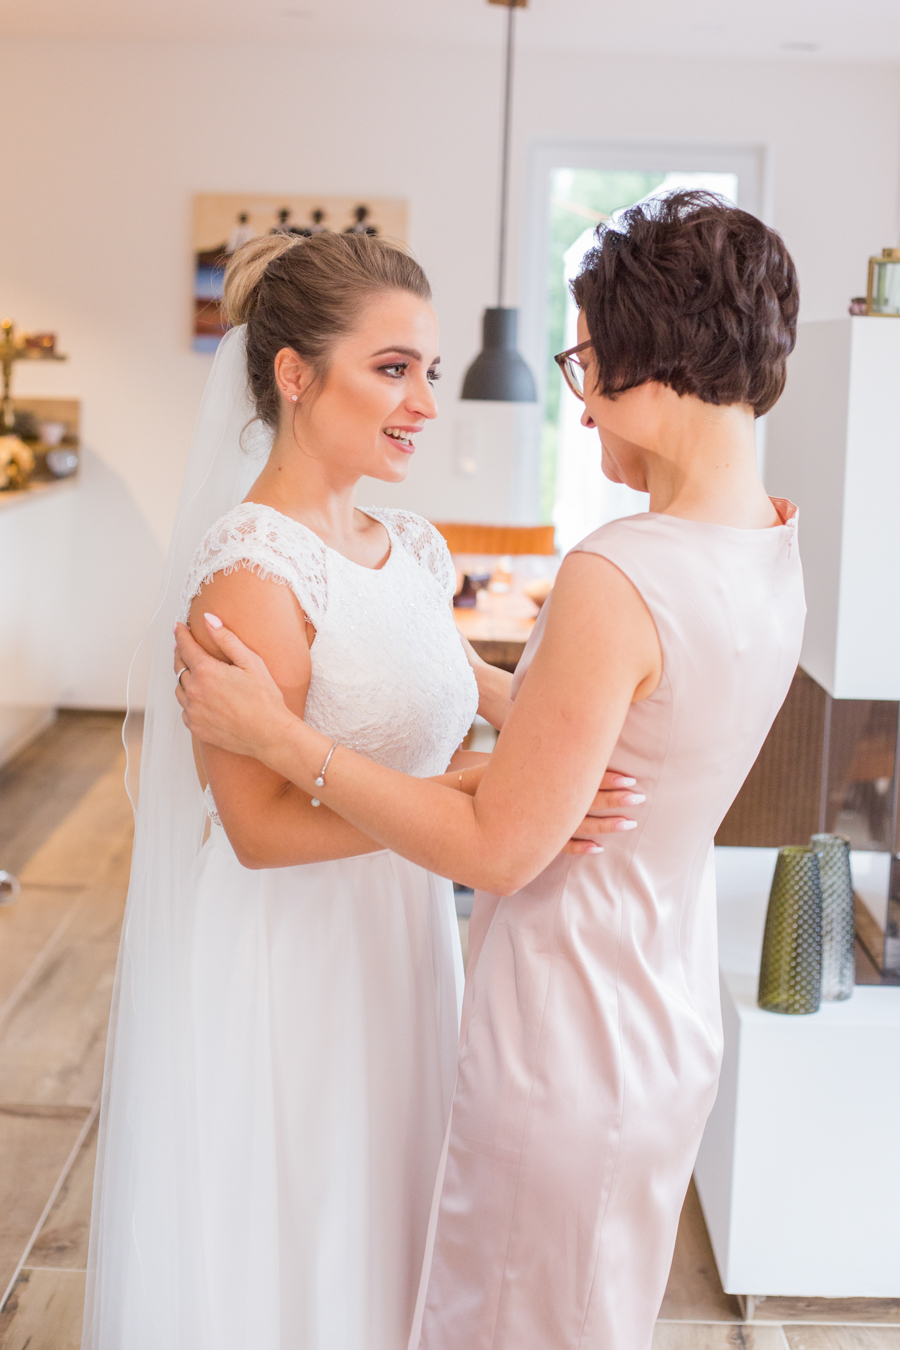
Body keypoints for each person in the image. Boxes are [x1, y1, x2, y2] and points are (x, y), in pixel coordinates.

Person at [175, 192, 805, 1350]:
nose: (579, 401)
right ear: (297, 377)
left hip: (568, 1022)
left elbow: (502, 844)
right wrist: (471, 693)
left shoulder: (620, 573)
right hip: (658, 1009)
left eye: (583, 363)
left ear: (641, 370)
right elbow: (598, 714)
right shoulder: (771, 545)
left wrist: (292, 741)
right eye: (395, 367)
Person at [84, 229, 633, 1350]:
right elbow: (256, 834)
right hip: (295, 963)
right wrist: (459, 802)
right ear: (294, 376)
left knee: (392, 1216)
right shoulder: (250, 569)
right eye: (393, 368)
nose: (425, 401)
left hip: (399, 938)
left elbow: (502, 696)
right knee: (306, 1234)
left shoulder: (411, 549)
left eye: (428, 368)